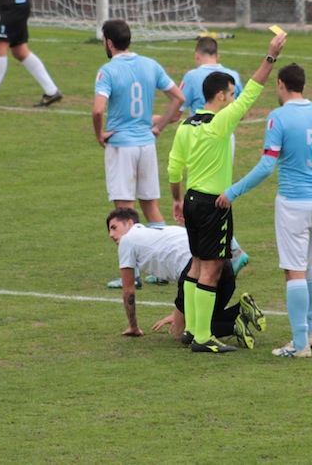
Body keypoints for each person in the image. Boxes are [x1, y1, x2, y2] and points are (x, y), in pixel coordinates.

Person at [219, 62, 312, 359]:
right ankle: (311, 331)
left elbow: (266, 167)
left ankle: (299, 344)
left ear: (281, 85)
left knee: (294, 270)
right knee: (309, 265)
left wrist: (233, 192)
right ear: (304, 86)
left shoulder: (279, 117)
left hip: (294, 204)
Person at [168, 31, 287, 353]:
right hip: (213, 206)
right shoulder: (220, 124)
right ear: (220, 96)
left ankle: (191, 330)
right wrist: (271, 56)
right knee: (212, 270)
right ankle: (203, 338)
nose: (235, 99)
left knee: (196, 265)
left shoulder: (186, 126)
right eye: (231, 94)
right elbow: (253, 93)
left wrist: (177, 199)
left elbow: (174, 168)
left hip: (191, 201)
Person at [93, 18, 186, 288]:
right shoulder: (150, 65)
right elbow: (178, 99)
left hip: (122, 146)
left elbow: (98, 110)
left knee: (124, 211)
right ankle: (164, 270)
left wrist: (99, 134)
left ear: (109, 42)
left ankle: (131, 275)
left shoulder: (108, 71)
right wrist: (158, 126)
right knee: (150, 206)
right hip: (147, 145)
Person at [106, 207, 265, 347]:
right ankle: (241, 309)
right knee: (203, 316)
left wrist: (134, 327)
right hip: (222, 265)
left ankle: (234, 327)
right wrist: (177, 314)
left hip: (195, 270)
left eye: (114, 227)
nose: (111, 234)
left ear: (130, 223)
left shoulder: (128, 240)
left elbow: (128, 290)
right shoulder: (162, 232)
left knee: (183, 332)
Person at [169, 35, 251, 275]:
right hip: (225, 137)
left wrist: (159, 122)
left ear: (197, 55)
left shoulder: (191, 76)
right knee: (218, 190)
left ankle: (230, 251)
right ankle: (229, 248)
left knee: (205, 191)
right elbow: (242, 111)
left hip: (200, 137)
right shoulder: (232, 75)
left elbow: (178, 108)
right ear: (217, 55)